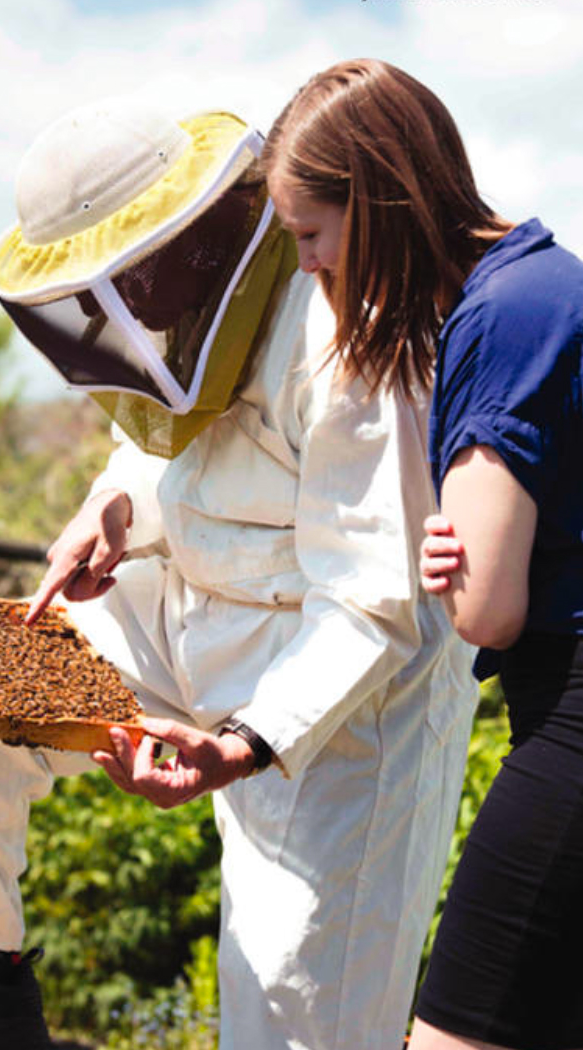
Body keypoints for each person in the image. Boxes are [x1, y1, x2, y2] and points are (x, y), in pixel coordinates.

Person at [0, 95, 476, 1050]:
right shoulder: (199, 311)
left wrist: (244, 743)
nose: (99, 307)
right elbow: (176, 443)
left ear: (191, 241)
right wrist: (112, 505)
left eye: (114, 278)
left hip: (336, 713)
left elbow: (373, 606)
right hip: (194, 613)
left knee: (291, 1017)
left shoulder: (350, 335)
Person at [263, 56, 583, 1050]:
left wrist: (462, 564)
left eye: (312, 235)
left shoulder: (502, 314)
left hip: (572, 722)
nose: (309, 266)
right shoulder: (542, 285)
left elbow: (485, 610)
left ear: (377, 199)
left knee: (451, 1037)